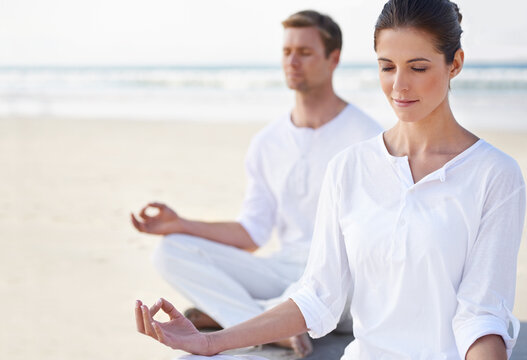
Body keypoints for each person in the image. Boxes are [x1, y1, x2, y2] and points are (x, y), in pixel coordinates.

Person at [135, 0, 526, 359]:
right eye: (387, 67)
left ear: (454, 63)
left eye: (418, 67)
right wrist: (209, 343)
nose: (399, 86)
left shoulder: (496, 175)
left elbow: (481, 317)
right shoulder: (349, 167)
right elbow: (317, 296)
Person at [131, 9, 382, 357]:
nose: (292, 61)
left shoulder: (368, 137)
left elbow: (372, 243)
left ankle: (243, 318)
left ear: (333, 58)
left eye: (305, 52)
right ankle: (265, 327)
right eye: (287, 52)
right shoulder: (268, 142)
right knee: (170, 250)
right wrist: (180, 224)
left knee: (337, 280)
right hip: (282, 269)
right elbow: (252, 233)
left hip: (338, 280)